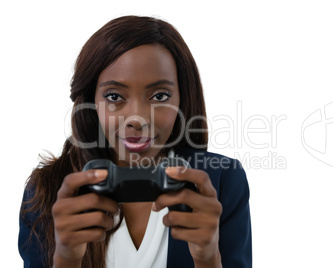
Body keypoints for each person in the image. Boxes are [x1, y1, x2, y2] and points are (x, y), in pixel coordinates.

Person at [18, 15, 252, 268]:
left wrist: (208, 259)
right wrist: (66, 259)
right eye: (114, 95)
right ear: (90, 102)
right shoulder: (44, 189)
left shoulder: (223, 179)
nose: (137, 118)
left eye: (160, 96)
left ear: (182, 100)